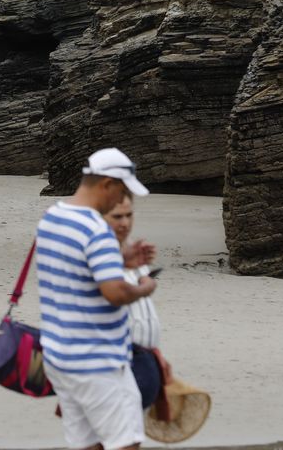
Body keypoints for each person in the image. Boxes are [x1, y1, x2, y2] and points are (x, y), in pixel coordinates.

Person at [36, 148, 158, 450]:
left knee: (86, 444)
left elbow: (73, 270)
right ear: (106, 184)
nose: (121, 200)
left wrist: (120, 257)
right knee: (125, 443)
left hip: (59, 357)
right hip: (98, 361)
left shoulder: (52, 217)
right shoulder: (96, 229)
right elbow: (115, 292)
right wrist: (145, 287)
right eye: (121, 191)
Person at [102, 195, 165, 409]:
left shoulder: (127, 250)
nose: (125, 223)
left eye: (129, 215)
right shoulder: (96, 252)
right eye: (117, 216)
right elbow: (117, 294)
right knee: (116, 438)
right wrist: (146, 286)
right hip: (115, 363)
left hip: (143, 356)